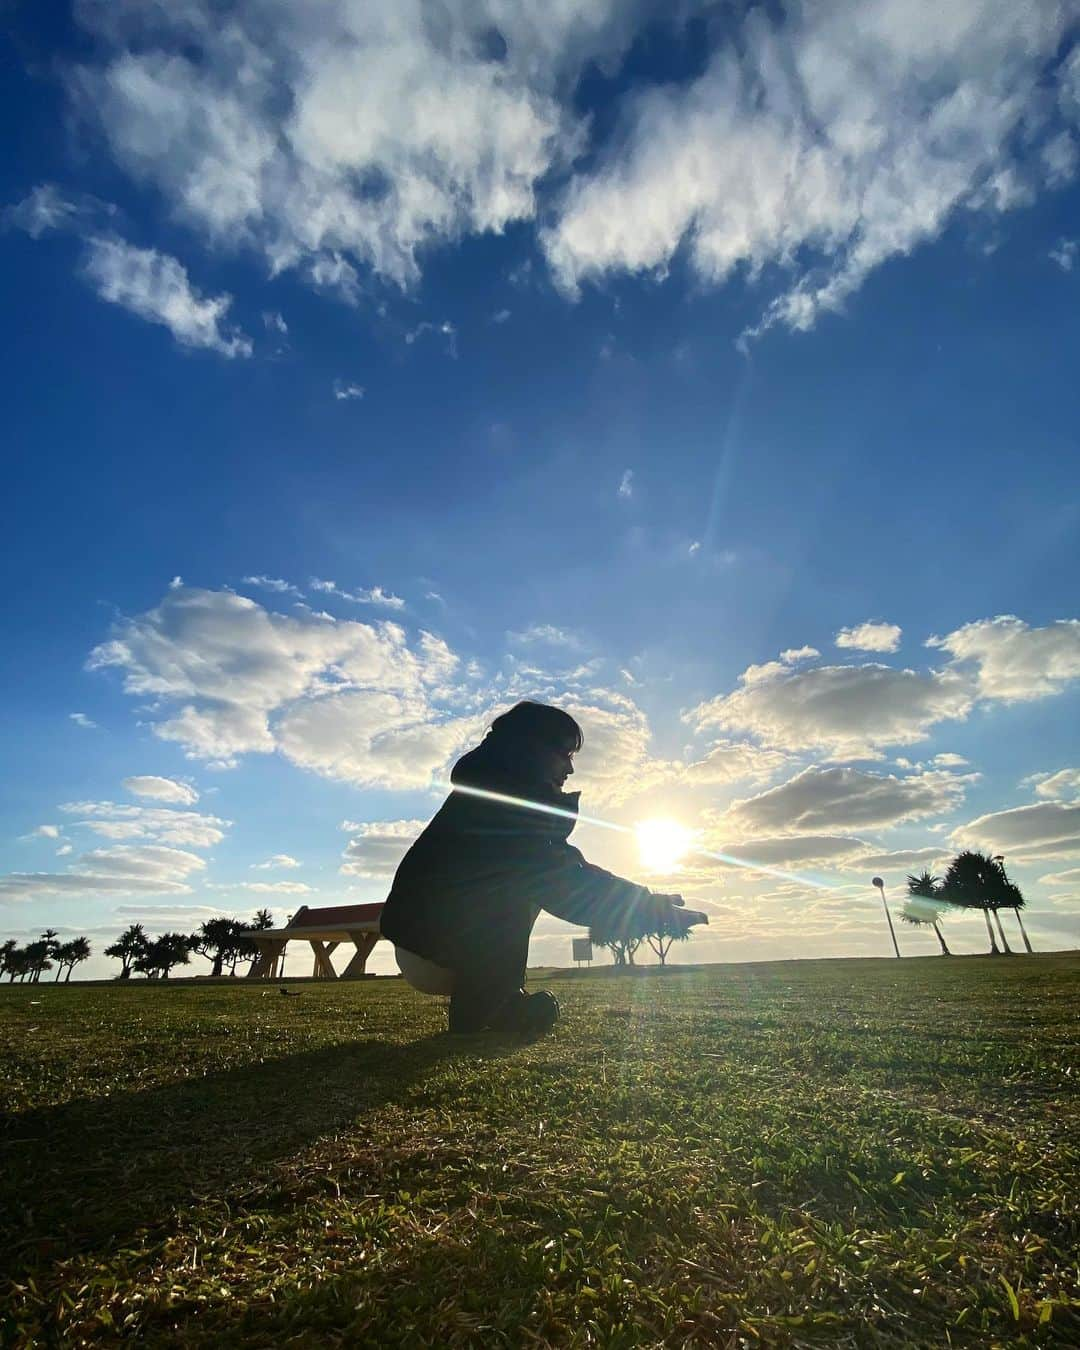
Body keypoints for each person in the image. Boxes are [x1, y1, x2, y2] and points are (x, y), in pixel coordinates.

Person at [380, 701, 692, 1035]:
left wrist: (647, 900)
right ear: (533, 751)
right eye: (566, 754)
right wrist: (649, 907)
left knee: (520, 887)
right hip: (430, 945)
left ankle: (492, 1002)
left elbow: (571, 868)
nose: (570, 770)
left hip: (423, 940)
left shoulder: (501, 794)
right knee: (518, 889)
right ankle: (486, 1011)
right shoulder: (503, 807)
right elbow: (564, 885)